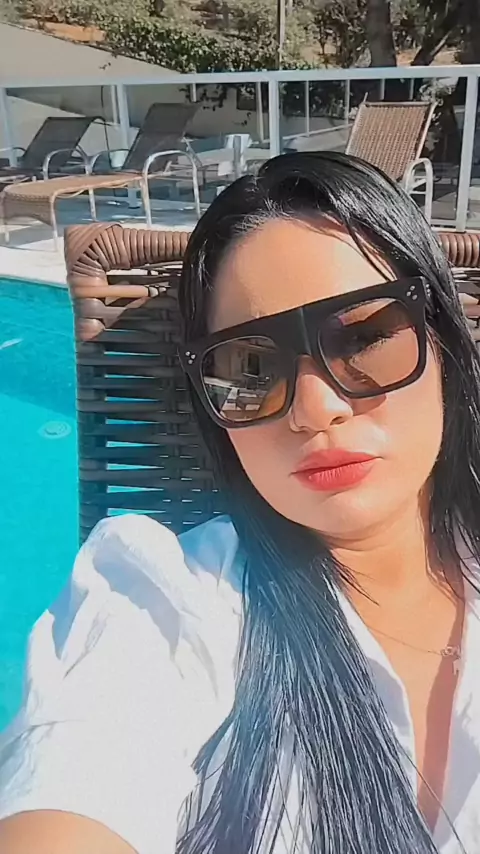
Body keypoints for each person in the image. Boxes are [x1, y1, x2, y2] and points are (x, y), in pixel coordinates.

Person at [0, 151, 479, 854]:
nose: (316, 410)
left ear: (445, 347)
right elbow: (79, 770)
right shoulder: (167, 595)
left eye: (366, 337)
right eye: (250, 368)